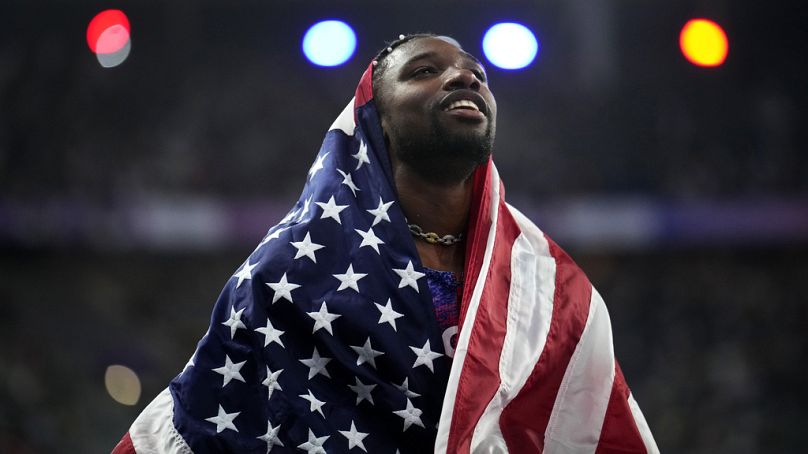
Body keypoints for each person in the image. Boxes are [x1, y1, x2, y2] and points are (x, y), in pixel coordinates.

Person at [113, 34, 659, 453]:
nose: (464, 79)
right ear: (376, 116)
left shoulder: (552, 290)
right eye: (425, 71)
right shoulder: (285, 275)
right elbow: (204, 424)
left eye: (477, 75)